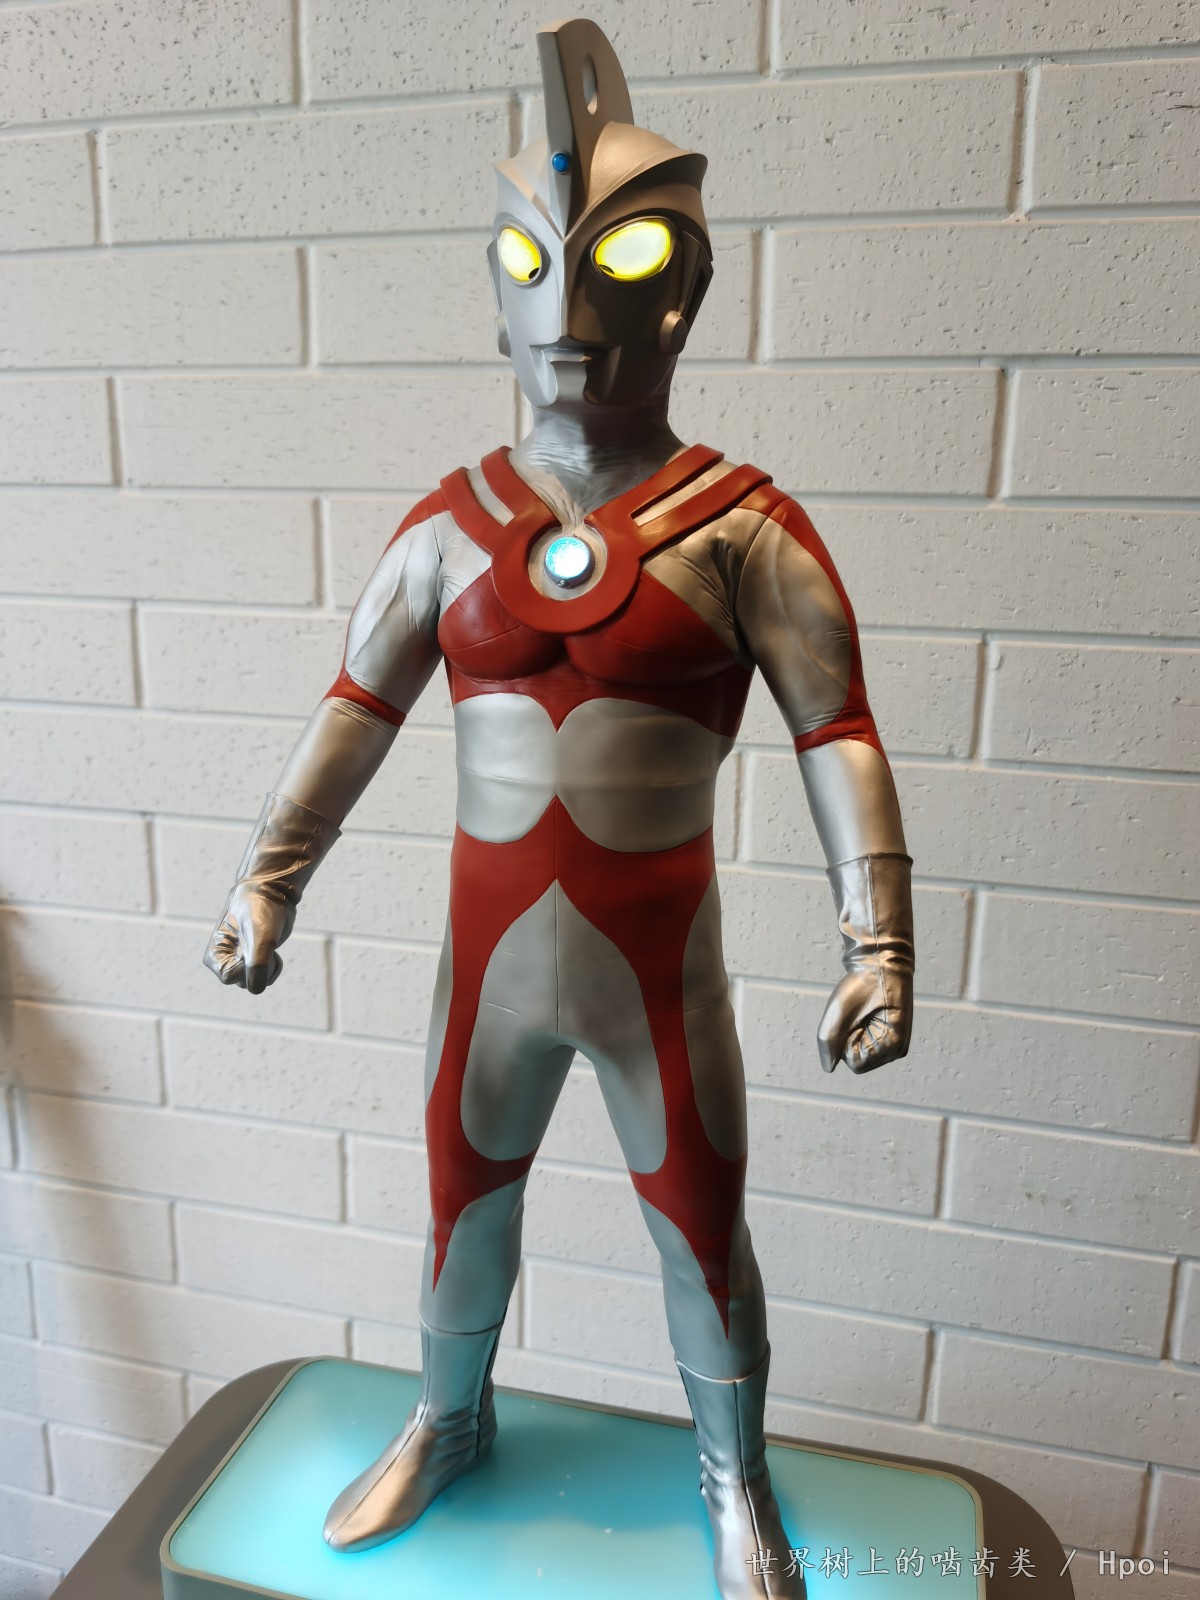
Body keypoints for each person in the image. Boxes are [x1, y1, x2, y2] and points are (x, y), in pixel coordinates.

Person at [203, 19, 914, 1599]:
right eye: (537, 263)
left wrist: (880, 939)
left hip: (660, 971)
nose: (572, 318)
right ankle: (448, 1421)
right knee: (461, 1210)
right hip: (492, 969)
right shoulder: (450, 528)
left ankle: (733, 1477)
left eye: (620, 262)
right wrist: (269, 880)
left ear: (684, 287)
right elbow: (354, 708)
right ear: (499, 281)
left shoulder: (741, 529)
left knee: (699, 1229)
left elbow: (837, 731)